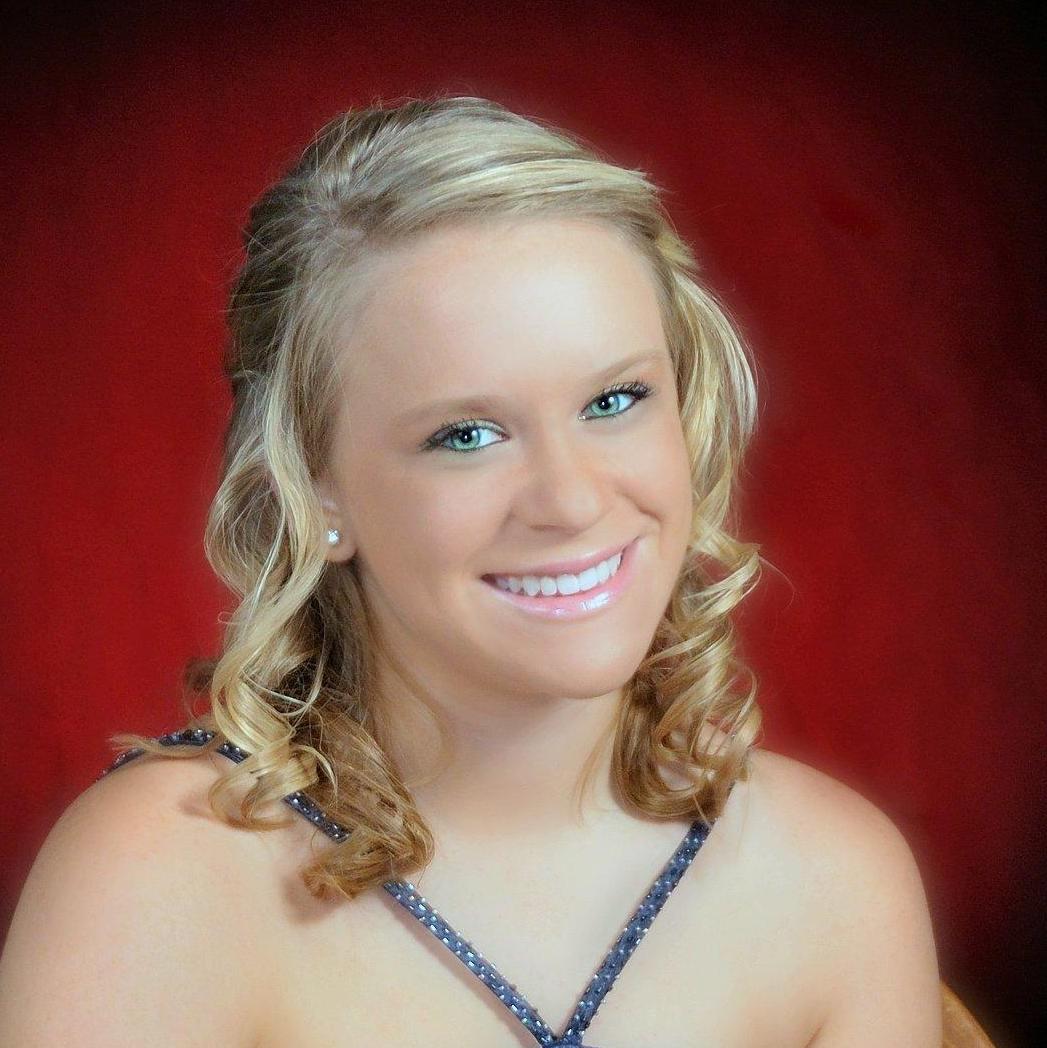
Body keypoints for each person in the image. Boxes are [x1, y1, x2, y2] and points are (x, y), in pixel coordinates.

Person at [0, 95, 941, 1047]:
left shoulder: (835, 880)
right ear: (314, 491)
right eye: (466, 435)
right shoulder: (158, 877)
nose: (570, 500)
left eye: (614, 399)